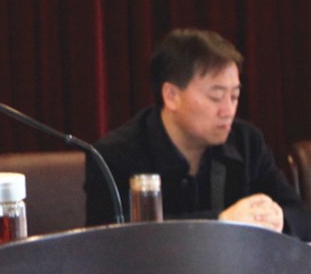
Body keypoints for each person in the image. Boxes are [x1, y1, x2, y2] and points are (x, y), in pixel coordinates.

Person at [85, 28, 310, 240]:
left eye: (234, 96)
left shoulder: (247, 142)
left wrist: (277, 218)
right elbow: (110, 240)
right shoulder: (114, 155)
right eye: (216, 97)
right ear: (171, 95)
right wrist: (220, 224)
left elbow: (301, 217)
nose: (228, 111)